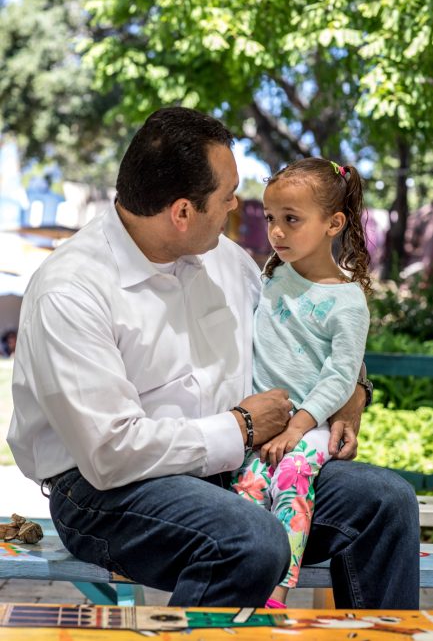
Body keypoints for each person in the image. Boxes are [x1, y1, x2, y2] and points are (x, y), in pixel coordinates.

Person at [7, 108, 419, 609]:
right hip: (104, 491)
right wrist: (242, 425)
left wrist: (356, 388)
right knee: (250, 538)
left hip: (240, 469)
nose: (234, 207)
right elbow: (109, 454)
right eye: (226, 197)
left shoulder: (229, 263)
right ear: (182, 212)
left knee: (387, 502)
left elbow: (315, 332)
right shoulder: (70, 290)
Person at [231, 159, 371, 607]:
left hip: (308, 427)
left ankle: (276, 591)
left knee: (291, 479)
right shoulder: (270, 278)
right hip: (261, 425)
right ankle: (246, 581)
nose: (276, 231)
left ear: (334, 223)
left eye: (291, 219)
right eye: (272, 218)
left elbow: (341, 375)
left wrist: (298, 426)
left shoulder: (347, 302)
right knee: (248, 489)